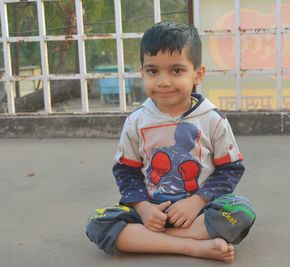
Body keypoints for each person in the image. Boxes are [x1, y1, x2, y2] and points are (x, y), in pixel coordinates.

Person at [86, 21, 256, 263]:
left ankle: (151, 240)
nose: (163, 81)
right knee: (98, 223)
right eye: (153, 71)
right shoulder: (136, 121)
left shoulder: (212, 119)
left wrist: (197, 202)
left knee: (240, 211)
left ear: (198, 74)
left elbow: (231, 168)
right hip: (150, 211)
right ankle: (193, 246)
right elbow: (126, 170)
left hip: (198, 211)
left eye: (176, 71)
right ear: (142, 72)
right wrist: (144, 209)